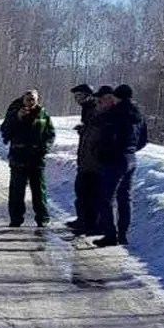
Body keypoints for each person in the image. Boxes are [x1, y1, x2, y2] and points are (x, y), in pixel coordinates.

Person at [92, 83, 148, 247]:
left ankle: (110, 234)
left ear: (116, 97)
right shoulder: (138, 115)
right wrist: (130, 149)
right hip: (131, 158)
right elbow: (143, 139)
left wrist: (105, 152)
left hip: (115, 160)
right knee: (125, 198)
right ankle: (123, 234)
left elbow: (98, 122)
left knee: (106, 198)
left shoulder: (115, 113)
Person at [0, 89, 56, 227]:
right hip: (19, 157)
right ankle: (16, 218)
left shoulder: (43, 114)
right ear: (22, 100)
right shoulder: (14, 113)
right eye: (28, 99)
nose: (31, 102)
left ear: (37, 100)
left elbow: (50, 134)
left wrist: (44, 149)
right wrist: (17, 118)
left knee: (39, 190)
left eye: (33, 99)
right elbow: (5, 131)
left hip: (37, 159)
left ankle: (42, 218)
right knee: (17, 191)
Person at [66, 84, 104, 234]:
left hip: (94, 160)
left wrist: (85, 130)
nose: (77, 100)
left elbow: (98, 131)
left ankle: (92, 223)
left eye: (79, 96)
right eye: (76, 97)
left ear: (88, 95)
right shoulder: (87, 109)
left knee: (91, 193)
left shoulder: (94, 108)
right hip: (86, 158)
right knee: (82, 191)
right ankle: (83, 220)